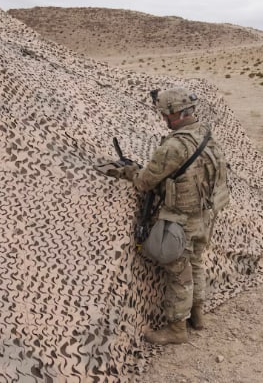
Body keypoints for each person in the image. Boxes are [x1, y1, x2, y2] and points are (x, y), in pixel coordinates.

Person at [105, 87, 229, 345]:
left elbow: (144, 182)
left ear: (176, 115)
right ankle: (198, 316)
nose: (163, 119)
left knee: (178, 274)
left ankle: (176, 330)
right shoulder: (205, 134)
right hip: (204, 215)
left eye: (165, 115)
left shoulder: (174, 146)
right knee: (196, 264)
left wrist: (127, 172)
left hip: (180, 219)